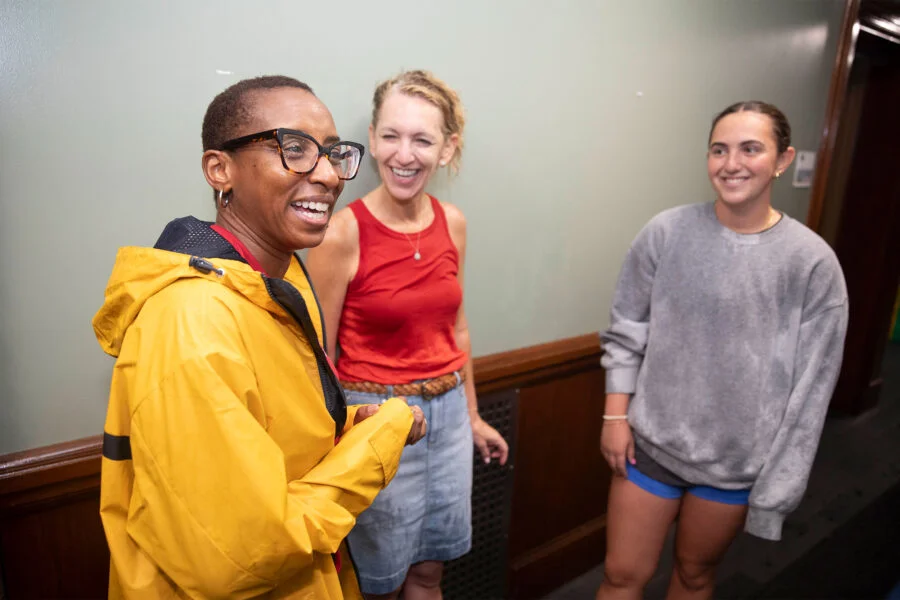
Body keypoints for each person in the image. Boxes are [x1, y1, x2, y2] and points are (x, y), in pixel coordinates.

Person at [93, 75, 427, 600]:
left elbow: (274, 432)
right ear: (219, 169)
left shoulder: (280, 278)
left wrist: (341, 429)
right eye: (293, 149)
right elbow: (239, 558)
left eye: (334, 154)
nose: (328, 174)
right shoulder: (193, 322)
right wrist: (377, 441)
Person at [596, 101, 849, 600]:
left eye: (750, 149)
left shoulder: (813, 263)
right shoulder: (666, 233)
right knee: (623, 574)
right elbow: (627, 327)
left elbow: (813, 387)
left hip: (736, 462)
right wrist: (614, 416)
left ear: (781, 159)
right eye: (719, 149)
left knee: (693, 576)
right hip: (651, 445)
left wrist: (778, 488)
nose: (731, 163)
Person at [306, 69, 509, 599]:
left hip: (448, 420)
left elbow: (455, 328)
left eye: (423, 139)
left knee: (428, 574)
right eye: (392, 135)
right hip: (377, 419)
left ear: (447, 148)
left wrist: (471, 415)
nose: (405, 153)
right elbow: (320, 356)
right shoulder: (340, 232)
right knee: (381, 583)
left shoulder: (453, 222)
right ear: (372, 138)